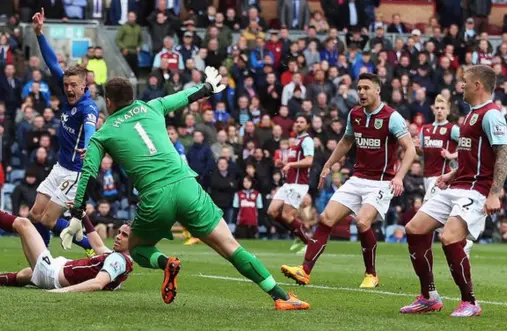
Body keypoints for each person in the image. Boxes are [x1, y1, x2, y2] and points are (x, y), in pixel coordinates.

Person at [67, 67, 309, 310]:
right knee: (230, 246)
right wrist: (207, 88)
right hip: (186, 186)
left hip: (155, 197)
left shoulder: (103, 133)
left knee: (138, 248)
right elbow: (184, 97)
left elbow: (88, 172)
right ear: (132, 96)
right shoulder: (153, 106)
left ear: (108, 102)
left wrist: (78, 211)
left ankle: (166, 262)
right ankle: (281, 297)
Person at [281, 73, 416, 288]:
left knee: (363, 221)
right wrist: (328, 165)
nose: (361, 92)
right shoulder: (354, 114)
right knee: (326, 218)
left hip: (382, 182)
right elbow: (345, 142)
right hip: (357, 178)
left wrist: (399, 177)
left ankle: (371, 274)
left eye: (366, 88)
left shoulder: (392, 117)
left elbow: (410, 149)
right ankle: (304, 270)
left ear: (377, 90)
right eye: (359, 88)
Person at [402, 65, 507, 317]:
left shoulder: (492, 114)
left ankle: (470, 302)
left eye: (465, 81)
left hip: (477, 190)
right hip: (458, 184)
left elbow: (502, 155)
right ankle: (428, 297)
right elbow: (471, 156)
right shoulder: (470, 115)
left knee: (449, 238)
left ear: (477, 86)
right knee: (414, 229)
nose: (461, 86)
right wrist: (451, 174)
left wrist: (495, 193)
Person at [0, 179, 132, 292]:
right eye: (119, 233)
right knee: (27, 274)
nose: (118, 237)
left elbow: (97, 284)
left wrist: (62, 291)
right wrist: (83, 216)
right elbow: (97, 245)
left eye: (124, 235)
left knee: (24, 224)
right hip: (56, 271)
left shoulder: (118, 260)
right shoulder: (119, 259)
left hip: (53, 274)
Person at [30, 8, 99, 252]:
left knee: (48, 220)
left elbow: (91, 129)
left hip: (74, 173)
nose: (68, 89)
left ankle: (89, 245)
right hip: (60, 167)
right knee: (35, 213)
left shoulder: (87, 108)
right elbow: (51, 62)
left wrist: (88, 146)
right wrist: (39, 33)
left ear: (84, 86)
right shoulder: (67, 94)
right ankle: (43, 256)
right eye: (66, 84)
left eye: (73, 86)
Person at [266, 115, 313, 251]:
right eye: (297, 121)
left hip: (299, 184)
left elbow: (309, 161)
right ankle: (298, 233)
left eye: (302, 121)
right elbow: (296, 162)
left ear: (307, 125)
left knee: (287, 215)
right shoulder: (296, 141)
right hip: (289, 183)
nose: (298, 123)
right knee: (272, 211)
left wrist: (291, 164)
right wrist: (284, 163)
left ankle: (308, 242)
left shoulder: (307, 140)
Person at [416, 95, 460, 202]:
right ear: (433, 110)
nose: (439, 111)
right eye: (437, 108)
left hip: (441, 176)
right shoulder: (425, 129)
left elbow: (470, 146)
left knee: (428, 206)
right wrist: (417, 149)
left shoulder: (452, 129)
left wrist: (452, 155)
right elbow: (421, 153)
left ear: (448, 111)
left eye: (442, 108)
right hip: (426, 175)